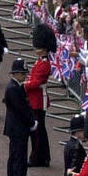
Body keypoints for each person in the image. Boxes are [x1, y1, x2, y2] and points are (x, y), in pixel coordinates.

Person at [2, 58, 38, 176]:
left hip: (15, 128)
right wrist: (31, 123)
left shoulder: (16, 87)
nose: (25, 76)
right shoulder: (13, 89)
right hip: (18, 128)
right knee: (19, 159)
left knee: (15, 158)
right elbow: (21, 110)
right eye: (23, 74)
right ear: (16, 74)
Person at [26, 24, 55, 168]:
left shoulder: (44, 63)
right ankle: (43, 157)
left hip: (38, 99)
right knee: (39, 130)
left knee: (37, 131)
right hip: (35, 98)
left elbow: (36, 82)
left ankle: (37, 157)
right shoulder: (41, 61)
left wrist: (22, 85)